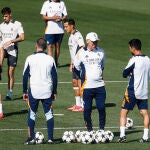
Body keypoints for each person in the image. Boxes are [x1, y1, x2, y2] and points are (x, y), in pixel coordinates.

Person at [23, 38, 57, 145]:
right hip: (47, 90)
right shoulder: (50, 59)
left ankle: (32, 138)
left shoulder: (30, 58)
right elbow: (55, 76)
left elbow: (25, 76)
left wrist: (24, 91)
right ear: (45, 47)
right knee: (49, 114)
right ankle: (50, 139)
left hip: (34, 90)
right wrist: (54, 91)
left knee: (32, 114)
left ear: (36, 46)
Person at [118, 39, 150, 143]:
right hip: (144, 90)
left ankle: (122, 136)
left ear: (133, 48)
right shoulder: (148, 59)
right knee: (144, 113)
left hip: (132, 90)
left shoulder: (134, 59)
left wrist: (131, 73)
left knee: (123, 112)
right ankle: (145, 137)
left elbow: (124, 73)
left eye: (129, 47)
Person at [74, 32, 106, 131]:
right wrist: (82, 78)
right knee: (87, 109)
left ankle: (101, 130)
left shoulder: (101, 52)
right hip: (87, 86)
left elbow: (102, 66)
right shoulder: (81, 52)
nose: (95, 44)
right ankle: (90, 130)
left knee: (101, 108)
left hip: (100, 86)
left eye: (96, 42)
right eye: (93, 42)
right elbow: (76, 66)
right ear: (87, 41)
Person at [0, 7, 24, 100]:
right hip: (3, 48)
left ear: (10, 14)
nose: (4, 18)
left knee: (11, 72)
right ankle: (0, 66)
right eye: (3, 16)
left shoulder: (17, 24)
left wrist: (11, 41)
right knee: (1, 49)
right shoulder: (1, 25)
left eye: (6, 16)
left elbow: (22, 37)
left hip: (13, 50)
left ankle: (9, 93)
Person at [63, 18, 85, 112]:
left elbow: (82, 46)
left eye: (66, 26)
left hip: (79, 64)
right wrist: (71, 63)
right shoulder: (71, 36)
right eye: (64, 27)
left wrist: (75, 60)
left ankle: (83, 105)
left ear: (72, 26)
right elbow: (72, 51)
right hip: (74, 63)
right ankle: (77, 104)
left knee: (80, 83)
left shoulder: (77, 35)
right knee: (75, 82)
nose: (65, 28)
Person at [40, 0, 67, 67]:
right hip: (49, 30)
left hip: (60, 30)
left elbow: (65, 15)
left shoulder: (62, 3)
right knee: (50, 46)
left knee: (58, 46)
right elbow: (43, 17)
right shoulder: (46, 3)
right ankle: (50, 63)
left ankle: (55, 62)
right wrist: (53, 18)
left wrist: (61, 19)